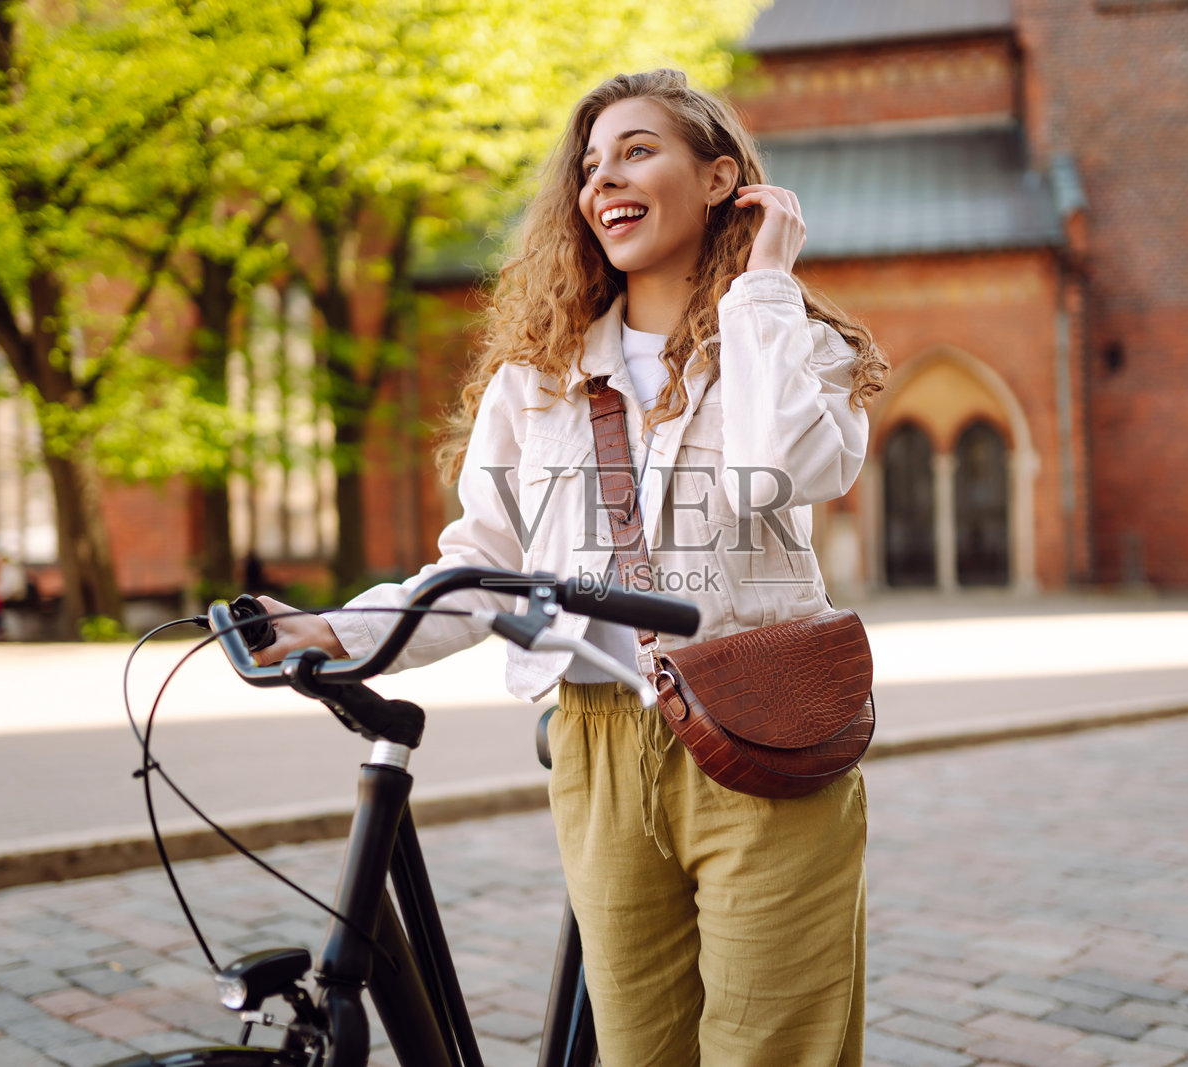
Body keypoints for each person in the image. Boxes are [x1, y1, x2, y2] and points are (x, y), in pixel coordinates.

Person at [255, 69, 886, 1066]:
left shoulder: (793, 345)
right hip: (595, 749)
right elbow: (481, 566)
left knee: (774, 1050)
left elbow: (788, 467)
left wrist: (765, 280)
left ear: (722, 178)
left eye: (638, 150)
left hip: (759, 735)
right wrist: (338, 630)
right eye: (589, 165)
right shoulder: (536, 381)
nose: (604, 181)